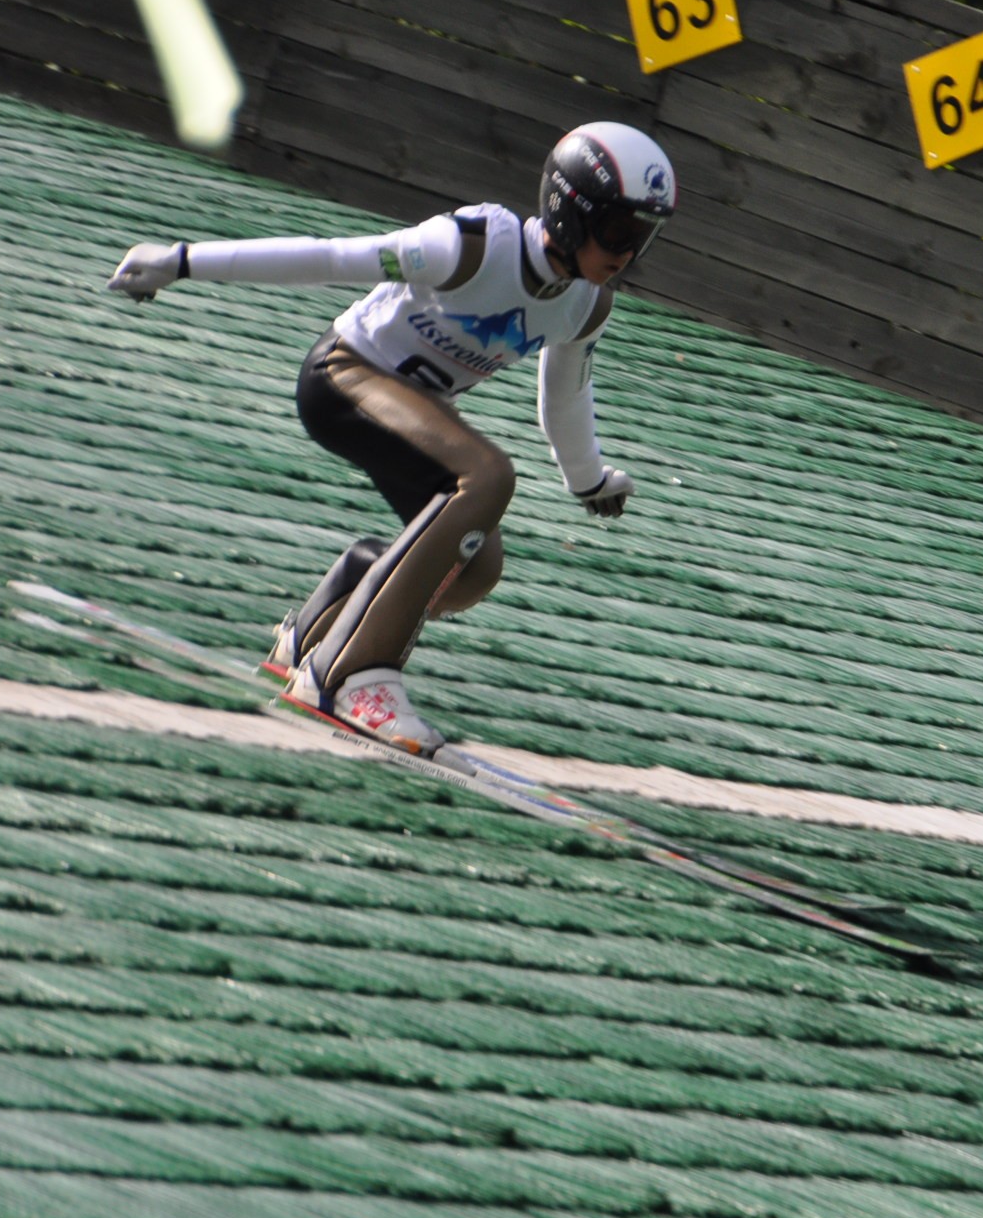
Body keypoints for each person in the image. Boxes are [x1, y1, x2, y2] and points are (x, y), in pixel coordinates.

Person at [105, 121, 678, 755]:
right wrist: (183, 261)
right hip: (343, 377)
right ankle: (348, 676)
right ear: (569, 211)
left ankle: (321, 624)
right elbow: (328, 258)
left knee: (473, 570)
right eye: (619, 231)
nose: (627, 254)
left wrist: (588, 479)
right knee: (487, 475)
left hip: (415, 415)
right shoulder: (469, 246)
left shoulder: (586, 305)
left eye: (643, 238)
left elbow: (564, 397)